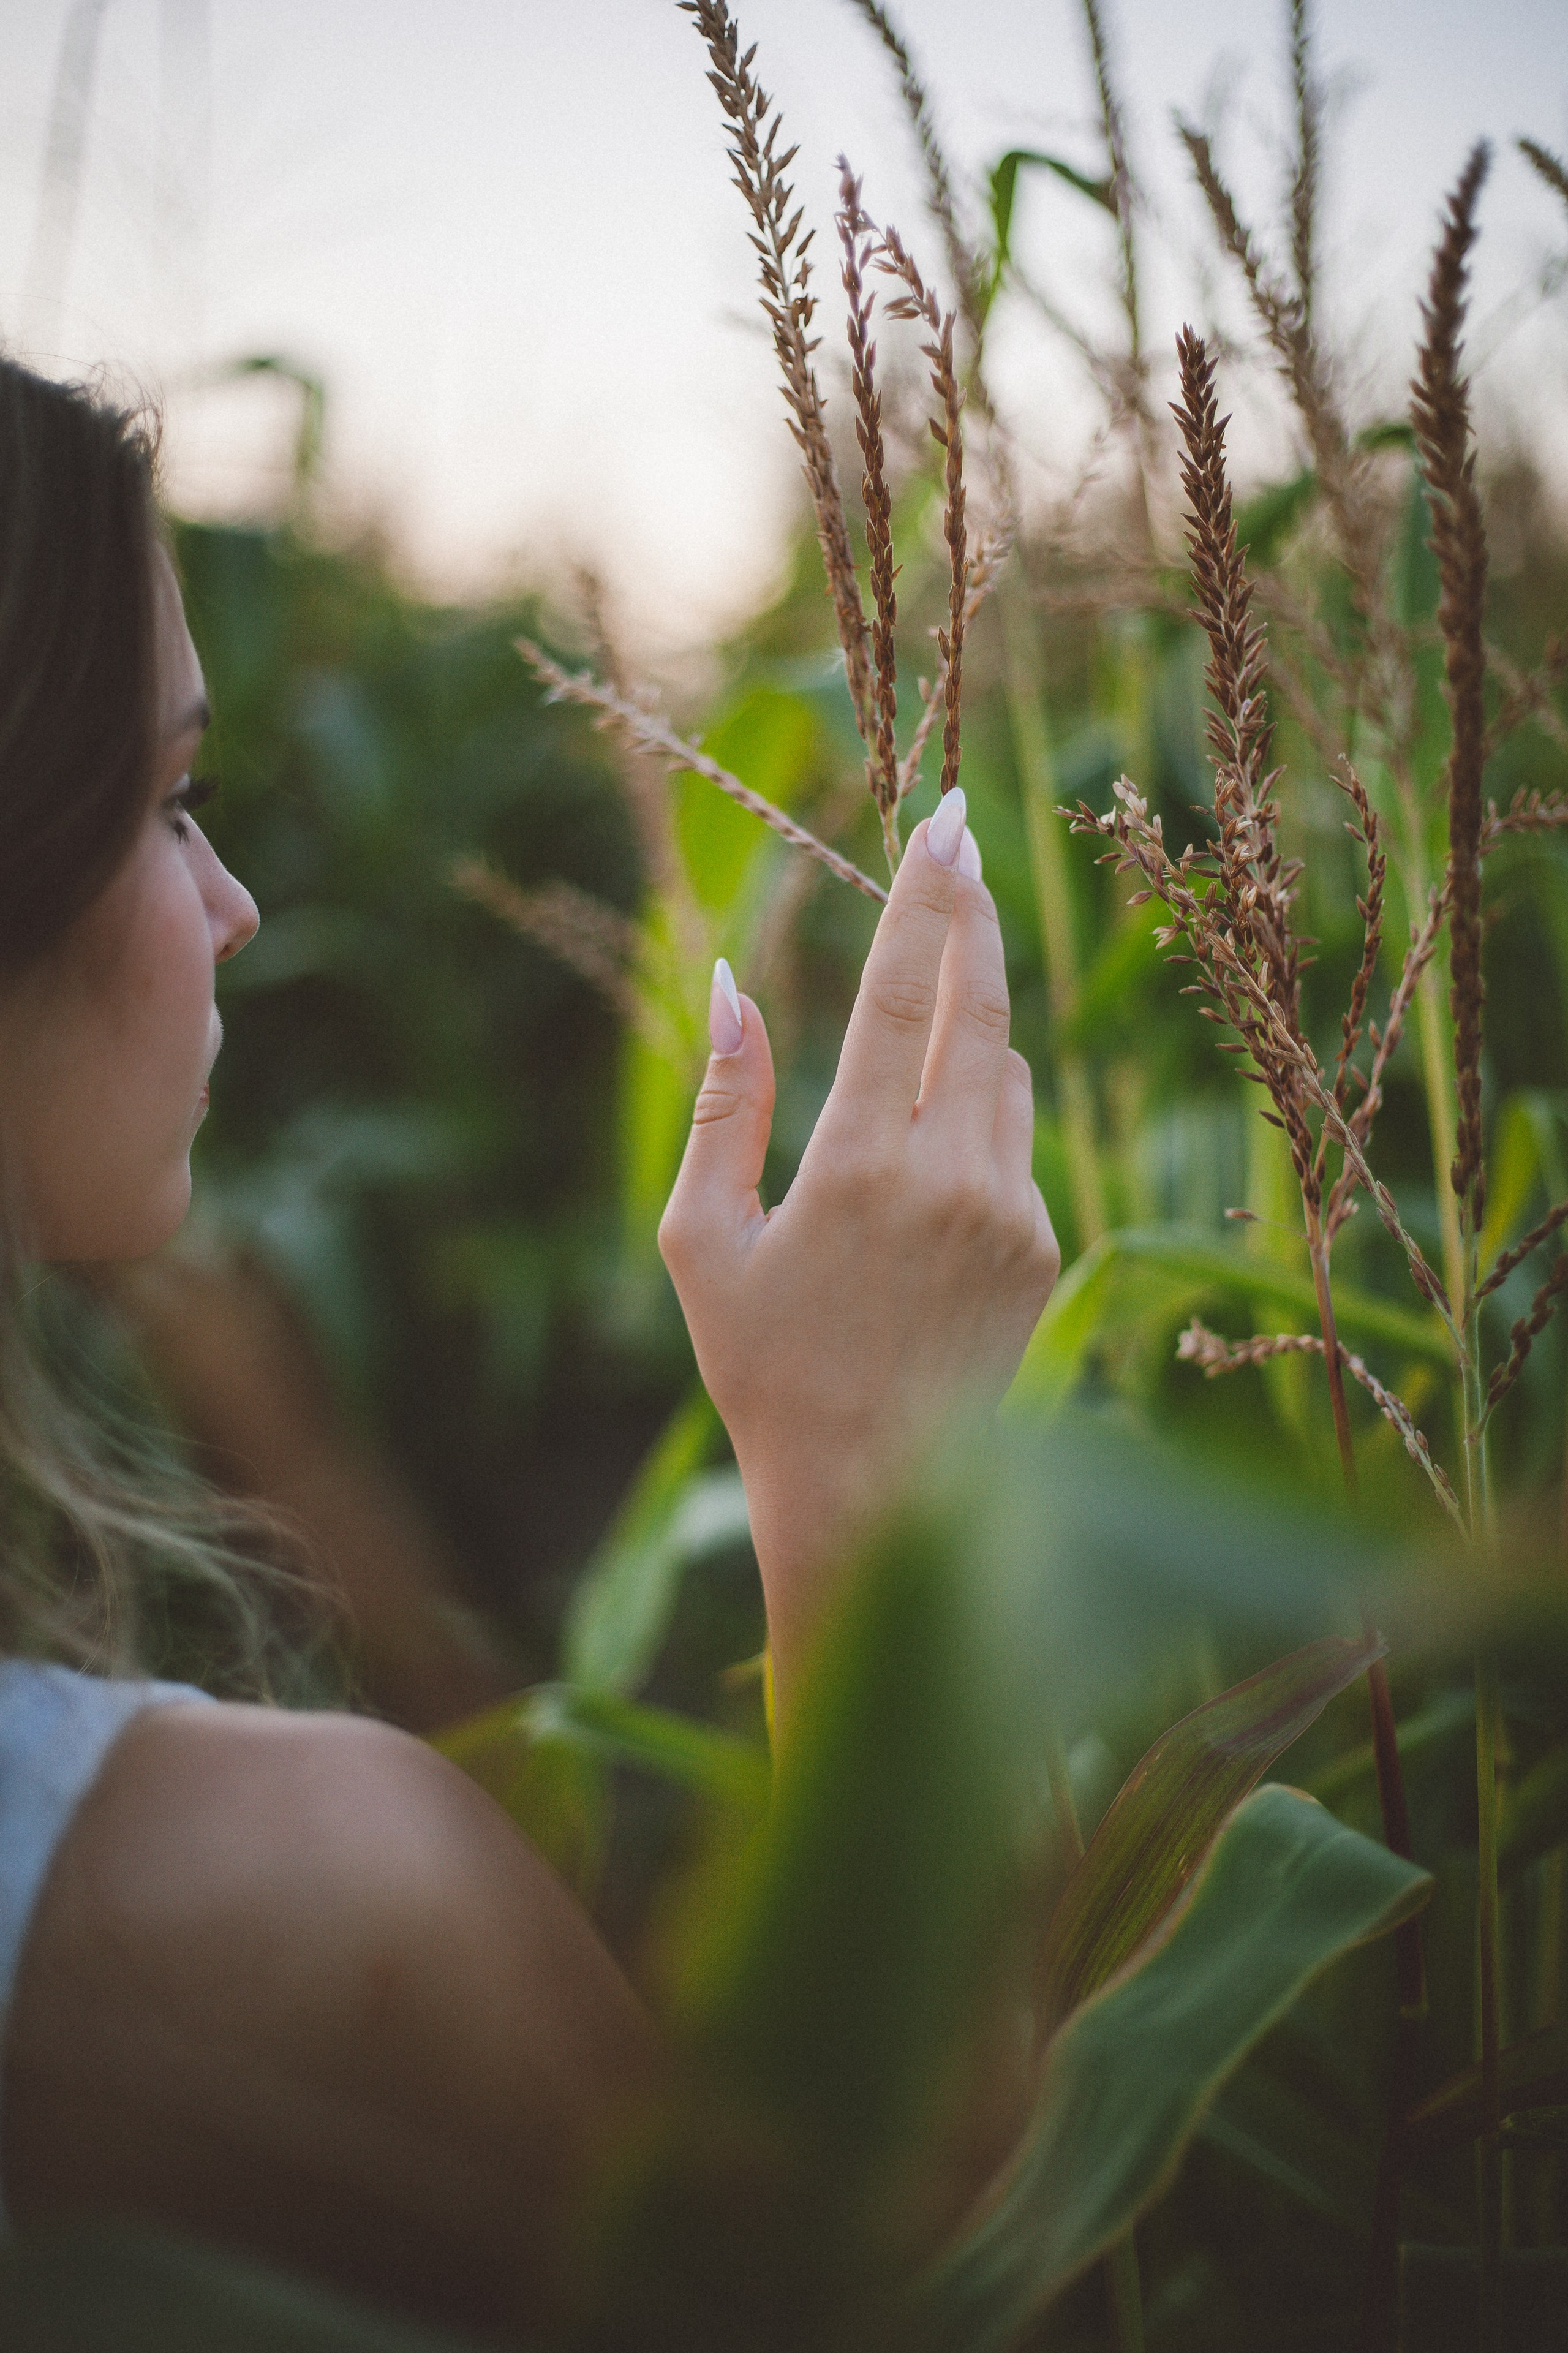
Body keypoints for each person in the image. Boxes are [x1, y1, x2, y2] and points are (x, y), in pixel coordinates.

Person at [0, 357, 1058, 2341]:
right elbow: (922, 2291)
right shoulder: (295, 1917)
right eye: (170, 797)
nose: (231, 905)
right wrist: (869, 1498)